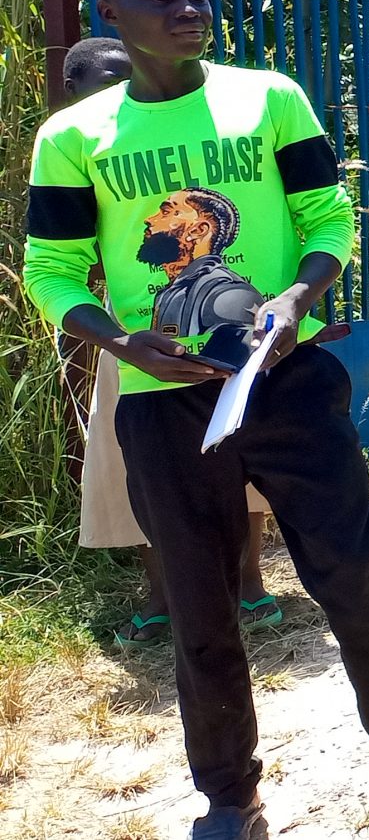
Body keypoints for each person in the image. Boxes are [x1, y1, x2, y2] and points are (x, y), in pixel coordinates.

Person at [22, 0, 369, 840]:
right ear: (110, 13)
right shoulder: (73, 138)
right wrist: (123, 343)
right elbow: (53, 270)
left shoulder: (267, 100)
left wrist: (293, 301)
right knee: (200, 606)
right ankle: (229, 797)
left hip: (288, 377)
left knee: (355, 581)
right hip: (162, 403)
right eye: (164, 0)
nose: (189, 10)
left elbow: (327, 215)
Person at [54, 37, 283, 652]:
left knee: (237, 443)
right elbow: (59, 260)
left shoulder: (202, 131)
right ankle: (164, 595)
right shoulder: (76, 145)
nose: (121, 92)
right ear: (73, 94)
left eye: (124, 77)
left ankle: (250, 584)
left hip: (220, 324)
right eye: (101, 84)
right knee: (136, 463)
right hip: (128, 335)